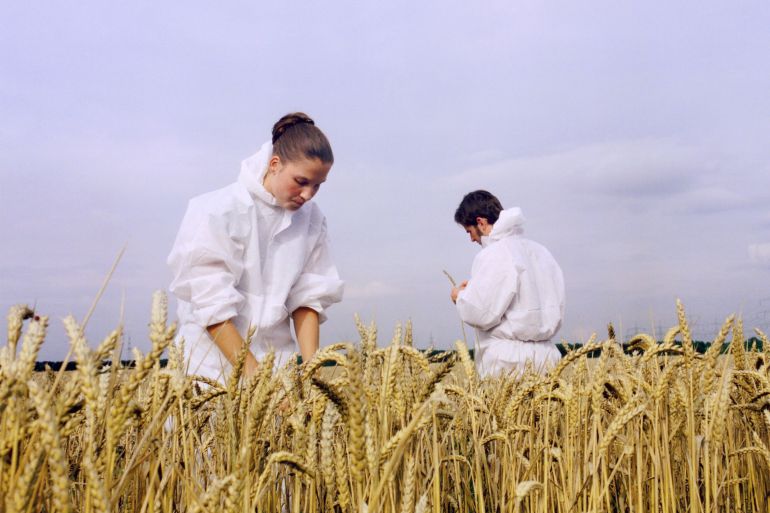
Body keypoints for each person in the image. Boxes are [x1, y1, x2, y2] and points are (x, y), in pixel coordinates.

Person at [167, 113, 344, 382]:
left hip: (277, 370)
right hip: (209, 373)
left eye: (317, 186)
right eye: (301, 181)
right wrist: (258, 379)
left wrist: (312, 374)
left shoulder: (312, 220)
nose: (308, 195)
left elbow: (308, 297)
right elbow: (211, 305)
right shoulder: (216, 211)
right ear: (275, 164)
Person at [450, 190, 564, 377]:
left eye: (469, 231)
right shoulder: (541, 252)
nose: (471, 239)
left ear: (481, 222)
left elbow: (481, 313)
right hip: (548, 362)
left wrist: (459, 296)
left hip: (508, 366)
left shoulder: (494, 254)